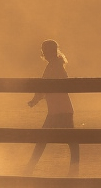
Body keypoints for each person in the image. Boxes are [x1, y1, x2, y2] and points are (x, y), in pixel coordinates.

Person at [25, 39, 79, 175]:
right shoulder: (56, 65)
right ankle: (74, 170)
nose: (44, 53)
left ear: (51, 51)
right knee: (71, 141)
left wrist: (35, 99)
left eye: (46, 50)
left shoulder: (54, 66)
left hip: (58, 110)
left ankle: (30, 168)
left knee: (43, 139)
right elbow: (45, 86)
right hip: (61, 109)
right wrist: (35, 99)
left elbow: (44, 85)